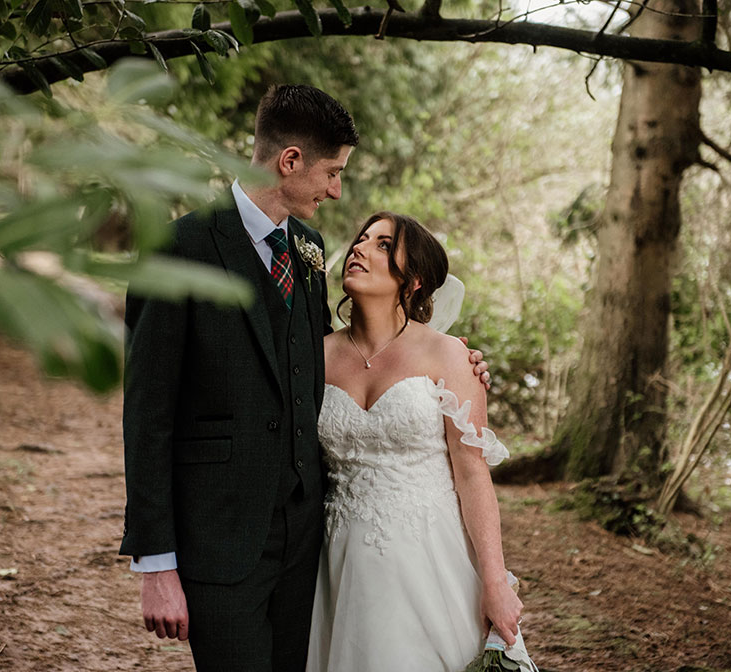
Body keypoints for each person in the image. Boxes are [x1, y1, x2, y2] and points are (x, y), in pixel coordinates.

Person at [119, 85, 490, 672]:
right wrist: (156, 563)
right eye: (333, 172)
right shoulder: (178, 248)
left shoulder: (309, 250)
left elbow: (322, 362)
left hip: (311, 548)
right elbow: (147, 414)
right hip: (220, 539)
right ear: (290, 161)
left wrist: (447, 361)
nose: (337, 190)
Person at [306, 212, 536, 671]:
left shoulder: (449, 355)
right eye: (362, 239)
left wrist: (495, 581)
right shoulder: (316, 355)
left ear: (413, 281)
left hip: (430, 558)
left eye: (383, 245)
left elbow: (472, 473)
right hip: (336, 560)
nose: (359, 248)